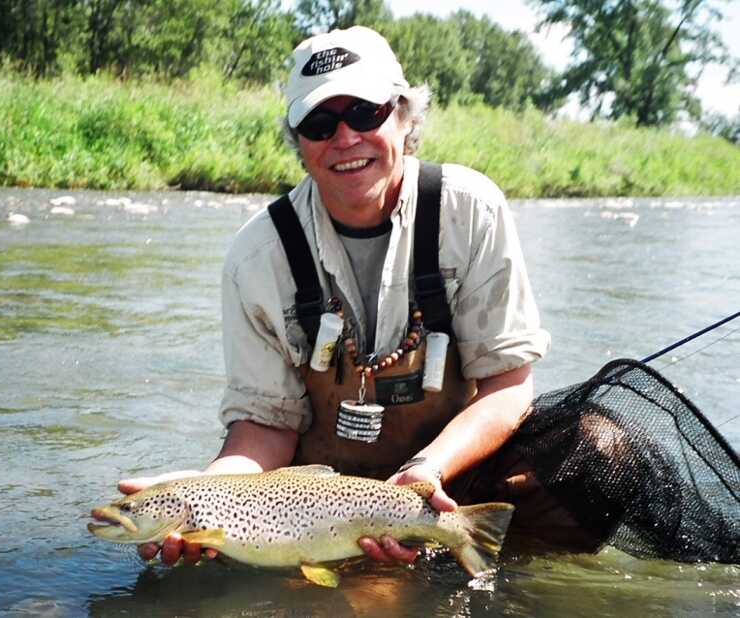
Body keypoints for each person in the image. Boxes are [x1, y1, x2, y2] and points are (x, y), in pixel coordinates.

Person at [115, 26, 552, 567]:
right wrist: (201, 498)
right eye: (320, 123)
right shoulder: (258, 257)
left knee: (601, 448)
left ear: (403, 115)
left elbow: (509, 385)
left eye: (365, 113)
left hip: (445, 478)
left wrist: (425, 476)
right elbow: (264, 425)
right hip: (307, 514)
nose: (345, 139)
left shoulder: (470, 211)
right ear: (298, 141)